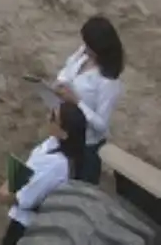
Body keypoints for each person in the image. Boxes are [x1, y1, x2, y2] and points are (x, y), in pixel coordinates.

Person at [0, 103, 89, 244]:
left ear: (64, 134)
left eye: (53, 117)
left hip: (28, 227)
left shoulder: (57, 165)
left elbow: (26, 199)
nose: (48, 117)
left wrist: (6, 191)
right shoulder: (53, 142)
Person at [53, 16, 124, 183]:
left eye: (88, 45)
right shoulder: (83, 54)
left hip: (87, 145)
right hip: (65, 130)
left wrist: (77, 101)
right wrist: (60, 83)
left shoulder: (108, 82)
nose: (84, 47)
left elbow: (101, 125)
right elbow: (68, 68)